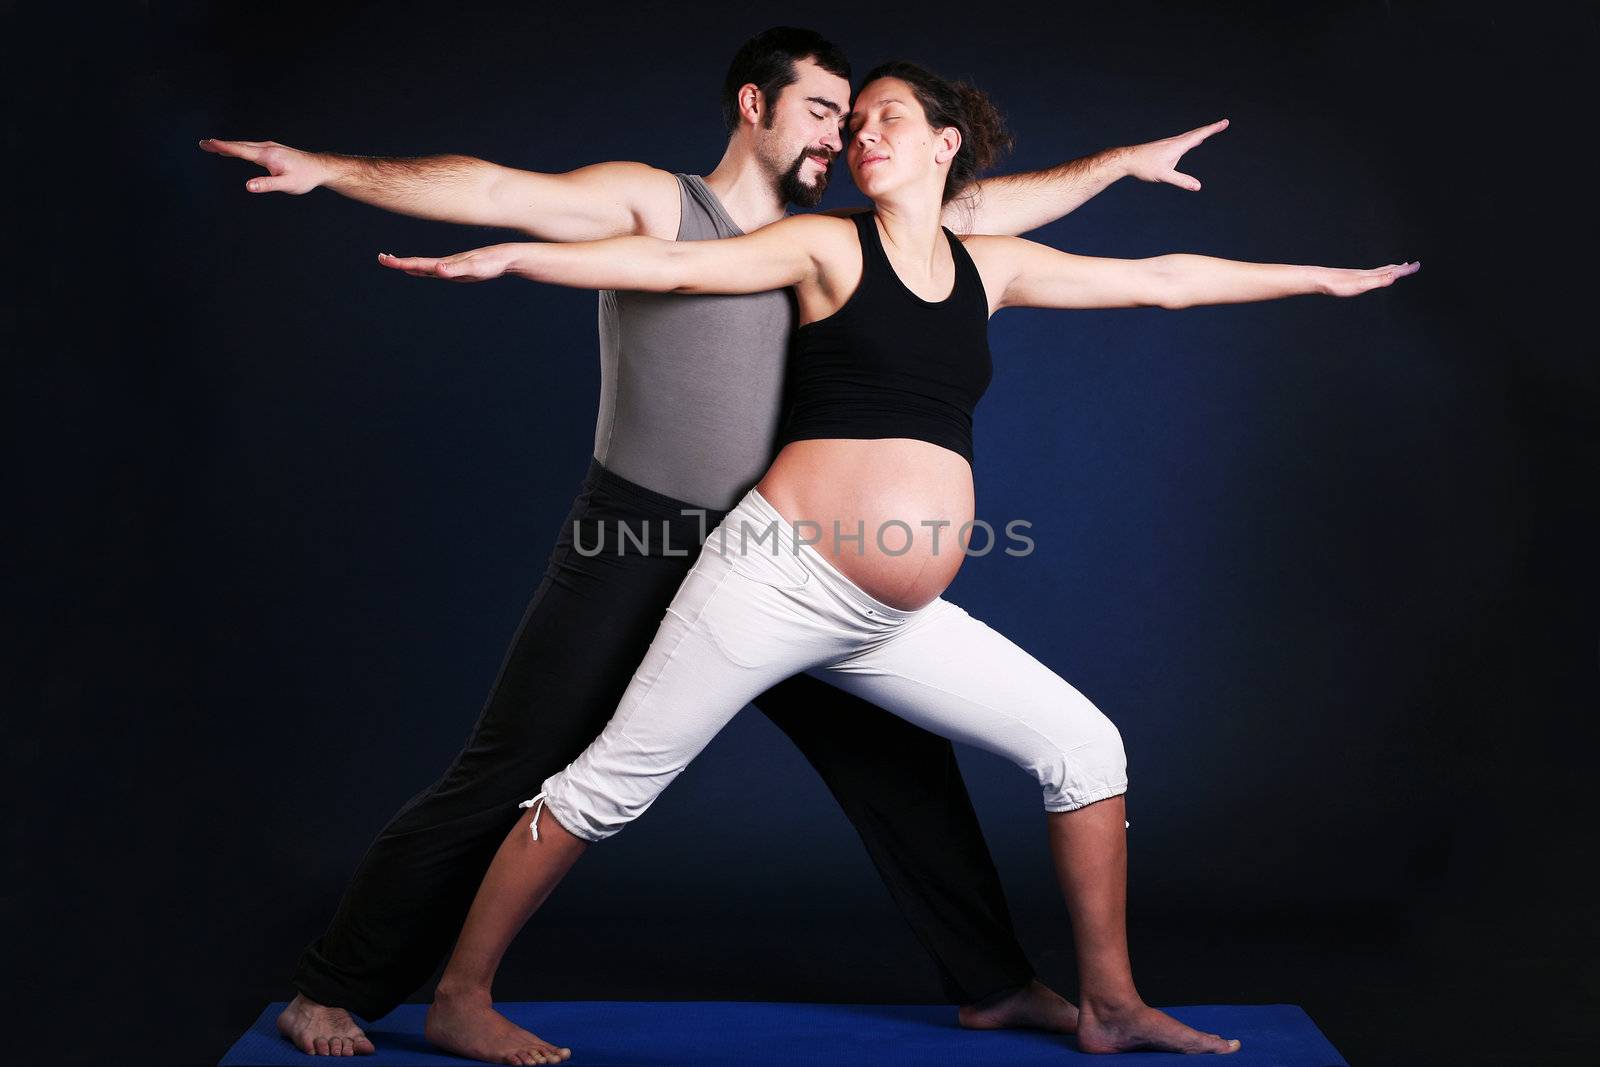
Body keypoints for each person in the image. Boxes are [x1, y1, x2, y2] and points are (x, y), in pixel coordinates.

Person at [201, 27, 1233, 1058]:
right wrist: (332, 171)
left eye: (862, 119)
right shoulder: (662, 202)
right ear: (755, 106)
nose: (845, 134)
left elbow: (987, 206)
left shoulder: (839, 233)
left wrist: (1120, 164)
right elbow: (492, 188)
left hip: (783, 552)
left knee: (904, 773)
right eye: (825, 111)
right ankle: (333, 984)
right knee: (516, 761)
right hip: (641, 529)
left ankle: (995, 984)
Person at [382, 59, 1417, 1065]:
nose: (859, 136)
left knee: (1085, 749)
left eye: (885, 120)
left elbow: (1162, 283)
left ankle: (1110, 1002)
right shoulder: (827, 245)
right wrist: (515, 256)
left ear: (944, 144)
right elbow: (673, 264)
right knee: (609, 785)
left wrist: (1324, 279)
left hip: (887, 619)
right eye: (853, 121)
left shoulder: (991, 263)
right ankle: (461, 998)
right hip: (774, 577)